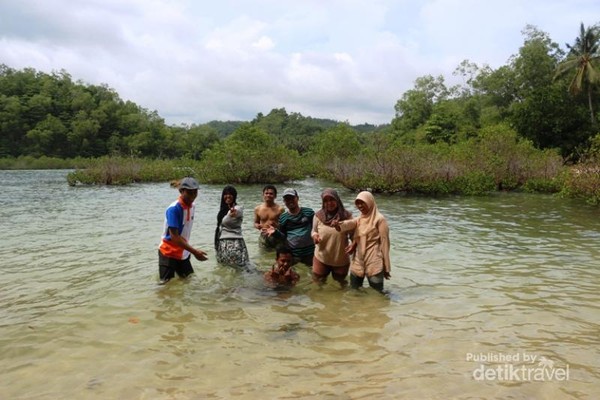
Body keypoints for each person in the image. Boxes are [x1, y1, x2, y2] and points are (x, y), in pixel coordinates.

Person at [333, 191, 391, 292]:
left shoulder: (380, 220)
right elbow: (350, 223)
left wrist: (386, 267)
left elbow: (385, 244)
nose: (360, 206)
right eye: (357, 203)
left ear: (370, 202)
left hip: (374, 261)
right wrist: (338, 225)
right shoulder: (360, 219)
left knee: (377, 295)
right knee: (354, 291)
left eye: (362, 203)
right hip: (358, 261)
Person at [158, 177, 208, 284]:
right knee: (165, 287)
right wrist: (195, 252)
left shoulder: (192, 206)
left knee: (189, 282)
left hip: (183, 253)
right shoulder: (174, 209)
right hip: (169, 253)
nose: (193, 196)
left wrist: (190, 251)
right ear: (181, 191)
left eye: (195, 192)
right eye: (190, 193)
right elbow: (174, 237)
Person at [311, 188, 353, 288]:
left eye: (332, 200)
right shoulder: (318, 215)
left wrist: (353, 244)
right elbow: (313, 230)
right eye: (326, 201)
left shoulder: (347, 216)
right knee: (316, 286)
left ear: (337, 200)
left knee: (340, 288)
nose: (329, 203)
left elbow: (354, 235)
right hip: (321, 257)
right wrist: (314, 236)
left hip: (340, 260)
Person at [265, 188, 315, 266]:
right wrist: (275, 232)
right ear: (284, 202)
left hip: (311, 252)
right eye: (287, 199)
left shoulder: (309, 212)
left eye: (292, 198)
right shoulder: (283, 217)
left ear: (297, 198)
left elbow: (316, 229)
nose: (290, 201)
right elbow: (283, 237)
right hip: (294, 254)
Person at [214, 185, 252, 270]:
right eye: (225, 194)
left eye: (230, 194)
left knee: (239, 270)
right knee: (224, 271)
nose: (228, 196)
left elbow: (236, 213)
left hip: (235, 243)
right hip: (222, 244)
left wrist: (232, 212)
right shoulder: (222, 210)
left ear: (234, 196)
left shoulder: (238, 208)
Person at [253, 184, 285, 249]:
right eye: (266, 193)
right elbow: (256, 222)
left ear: (275, 196)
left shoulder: (280, 209)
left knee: (278, 255)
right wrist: (257, 226)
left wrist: (276, 225)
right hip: (264, 236)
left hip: (276, 235)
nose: (268, 195)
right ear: (263, 195)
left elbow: (284, 225)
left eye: (271, 193)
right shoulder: (258, 209)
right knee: (263, 256)